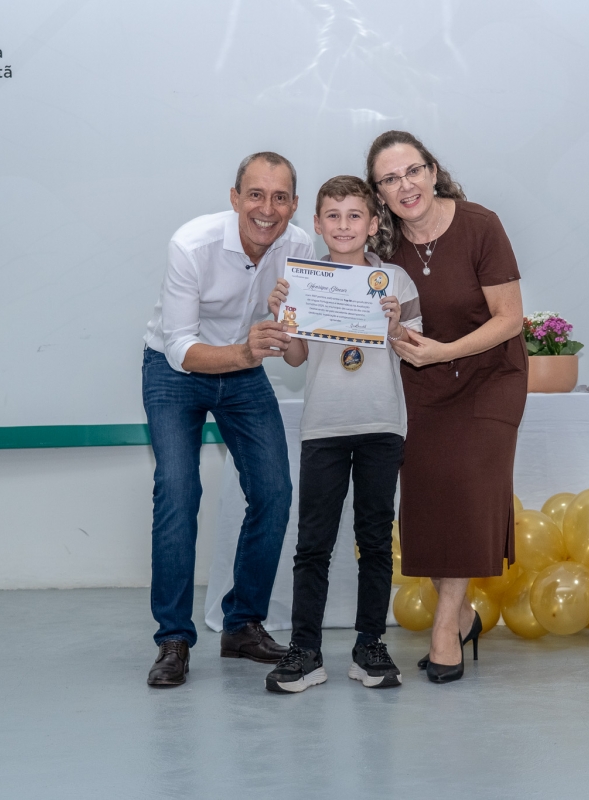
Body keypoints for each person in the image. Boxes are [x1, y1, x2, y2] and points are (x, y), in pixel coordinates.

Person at [141, 152, 314, 687]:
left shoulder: (300, 248)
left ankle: (242, 625)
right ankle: (173, 638)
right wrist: (245, 352)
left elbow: (297, 355)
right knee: (178, 491)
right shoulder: (191, 245)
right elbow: (180, 348)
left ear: (294, 204)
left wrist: (288, 326)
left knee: (274, 492)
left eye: (280, 197)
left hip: (245, 368)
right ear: (235, 198)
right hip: (176, 370)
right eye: (256, 194)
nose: (267, 208)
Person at [365, 130, 527, 683]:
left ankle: (443, 631)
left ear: (433, 172)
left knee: (467, 490)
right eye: (390, 179)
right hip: (421, 384)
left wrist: (445, 352)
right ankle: (462, 617)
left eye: (413, 171)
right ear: (379, 194)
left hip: (489, 377)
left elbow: (510, 319)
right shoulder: (381, 249)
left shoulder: (481, 225)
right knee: (430, 503)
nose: (405, 185)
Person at [261, 176, 422, 693]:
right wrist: (283, 319)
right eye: (333, 215)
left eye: (355, 215)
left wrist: (395, 327)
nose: (344, 225)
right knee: (313, 543)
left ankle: (369, 644)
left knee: (374, 541)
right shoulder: (303, 279)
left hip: (381, 425)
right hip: (324, 426)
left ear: (373, 224)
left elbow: (417, 348)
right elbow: (295, 358)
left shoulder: (394, 280)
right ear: (317, 223)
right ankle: (305, 650)